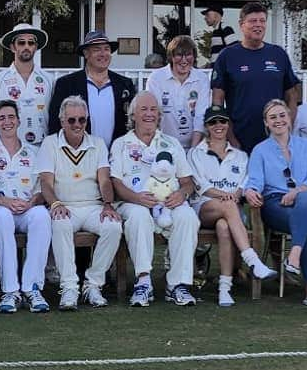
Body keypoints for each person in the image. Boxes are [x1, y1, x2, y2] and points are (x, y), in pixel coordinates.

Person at [110, 92, 201, 307]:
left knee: (187, 216)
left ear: (159, 115)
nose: (149, 114)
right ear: (133, 115)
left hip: (168, 204)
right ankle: (143, 283)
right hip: (133, 203)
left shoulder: (171, 143)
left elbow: (187, 181)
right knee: (139, 215)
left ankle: (178, 284)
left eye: (153, 110)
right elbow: (115, 183)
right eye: (144, 109)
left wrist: (182, 194)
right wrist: (136, 198)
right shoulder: (121, 144)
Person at [36, 95, 122, 310]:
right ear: (62, 121)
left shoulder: (98, 143)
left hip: (93, 205)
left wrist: (108, 204)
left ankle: (93, 285)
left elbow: (104, 179)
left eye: (82, 120)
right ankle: (69, 287)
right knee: (60, 223)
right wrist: (55, 204)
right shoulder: (50, 143)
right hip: (64, 205)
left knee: (113, 226)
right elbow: (46, 183)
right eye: (72, 120)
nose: (77, 125)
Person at [189, 105, 277, 307]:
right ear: (206, 126)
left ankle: (224, 289)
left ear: (228, 124)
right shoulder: (195, 153)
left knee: (224, 226)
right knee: (228, 208)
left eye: (222, 121)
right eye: (213, 122)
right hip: (204, 209)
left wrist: (234, 195)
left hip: (230, 213)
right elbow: (202, 187)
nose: (218, 125)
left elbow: (244, 185)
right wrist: (228, 196)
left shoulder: (241, 156)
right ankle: (252, 260)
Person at [244, 99, 307, 305]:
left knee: (305, 198)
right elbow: (255, 181)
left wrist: (297, 191)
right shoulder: (260, 150)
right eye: (272, 117)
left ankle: (294, 254)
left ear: (289, 118)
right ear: (266, 123)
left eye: (282, 115)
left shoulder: (306, 146)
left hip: (306, 199)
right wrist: (250, 191)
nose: (278, 120)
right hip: (276, 203)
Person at [0, 100, 51, 313]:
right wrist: (3, 201)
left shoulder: (33, 152)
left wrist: (32, 202)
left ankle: (32, 288)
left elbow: (42, 188)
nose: (7, 122)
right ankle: (10, 291)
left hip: (27, 209)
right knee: (2, 217)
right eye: (1, 118)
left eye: (11, 117)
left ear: (19, 120)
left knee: (41, 216)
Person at [211, 2, 301, 153]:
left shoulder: (278, 54)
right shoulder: (227, 56)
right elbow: (217, 100)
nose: (258, 25)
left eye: (262, 21)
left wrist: (287, 128)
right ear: (241, 24)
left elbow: (292, 95)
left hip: (275, 140)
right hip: (240, 139)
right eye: (253, 21)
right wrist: (230, 138)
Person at [47, 31, 136, 146]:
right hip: (78, 155)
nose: (103, 54)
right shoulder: (66, 84)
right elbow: (55, 123)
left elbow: (134, 122)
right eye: (97, 49)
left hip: (117, 156)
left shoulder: (125, 84)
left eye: (106, 49)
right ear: (86, 53)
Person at [0, 23, 54, 146]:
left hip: (42, 147)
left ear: (35, 47)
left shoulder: (49, 80)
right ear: (13, 47)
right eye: (21, 43)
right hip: (9, 148)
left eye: (30, 43)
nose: (26, 46)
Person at [146, 35, 210, 148]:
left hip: (194, 145)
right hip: (163, 144)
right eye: (179, 55)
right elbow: (153, 114)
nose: (184, 60)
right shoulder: (156, 78)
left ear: (194, 57)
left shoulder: (202, 79)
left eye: (188, 55)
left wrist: (193, 150)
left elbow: (200, 115)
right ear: (171, 57)